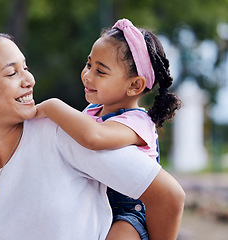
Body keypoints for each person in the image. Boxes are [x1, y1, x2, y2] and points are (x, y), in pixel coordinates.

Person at [0, 29, 185, 240]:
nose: (29, 79)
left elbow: (168, 196)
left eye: (25, 67)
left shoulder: (62, 134)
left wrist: (54, 106)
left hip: (130, 212)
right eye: (12, 72)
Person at [36, 18, 181, 240]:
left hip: (129, 214)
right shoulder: (93, 110)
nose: (88, 75)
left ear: (135, 85)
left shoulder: (137, 122)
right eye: (88, 64)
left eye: (100, 72)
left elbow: (94, 137)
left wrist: (50, 106)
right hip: (93, 203)